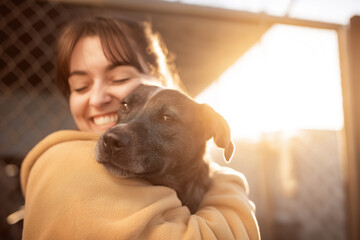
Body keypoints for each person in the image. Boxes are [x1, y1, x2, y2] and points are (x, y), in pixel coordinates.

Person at [20, 16, 260, 239]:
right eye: (81, 86)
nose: (96, 99)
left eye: (119, 79)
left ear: (158, 78)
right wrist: (230, 185)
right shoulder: (65, 166)